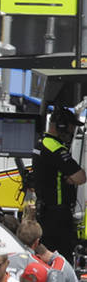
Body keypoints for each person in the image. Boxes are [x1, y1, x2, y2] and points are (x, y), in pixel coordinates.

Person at [32, 107, 86, 261]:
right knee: (61, 262)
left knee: (45, 259)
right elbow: (81, 177)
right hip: (57, 216)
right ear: (61, 125)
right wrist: (68, 176)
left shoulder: (41, 143)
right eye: (71, 126)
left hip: (45, 212)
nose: (72, 130)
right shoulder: (55, 147)